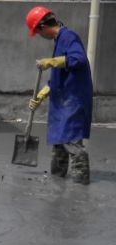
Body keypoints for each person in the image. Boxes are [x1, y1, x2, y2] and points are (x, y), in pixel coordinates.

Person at [26, 6, 93, 185]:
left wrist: (52, 61)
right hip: (63, 101)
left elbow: (78, 59)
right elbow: (59, 75)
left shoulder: (69, 36)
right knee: (59, 142)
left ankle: (80, 186)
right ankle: (58, 181)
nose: (41, 36)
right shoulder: (60, 41)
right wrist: (42, 93)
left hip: (73, 100)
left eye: (38, 33)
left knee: (71, 140)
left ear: (42, 27)